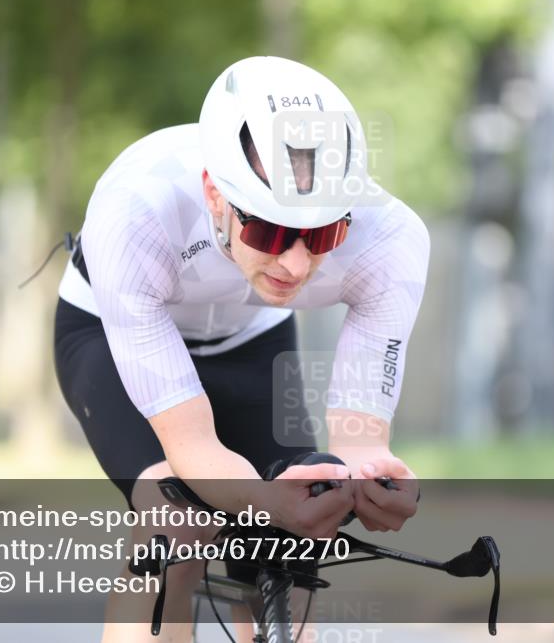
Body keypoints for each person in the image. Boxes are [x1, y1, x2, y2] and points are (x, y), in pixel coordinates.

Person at [53, 56, 430, 643]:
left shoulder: (390, 241)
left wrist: (369, 474)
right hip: (108, 331)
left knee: (300, 529)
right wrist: (261, 502)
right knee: (176, 524)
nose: (297, 263)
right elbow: (192, 447)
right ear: (214, 193)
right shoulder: (135, 210)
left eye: (324, 233)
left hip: (250, 337)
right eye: (272, 231)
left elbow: (360, 439)